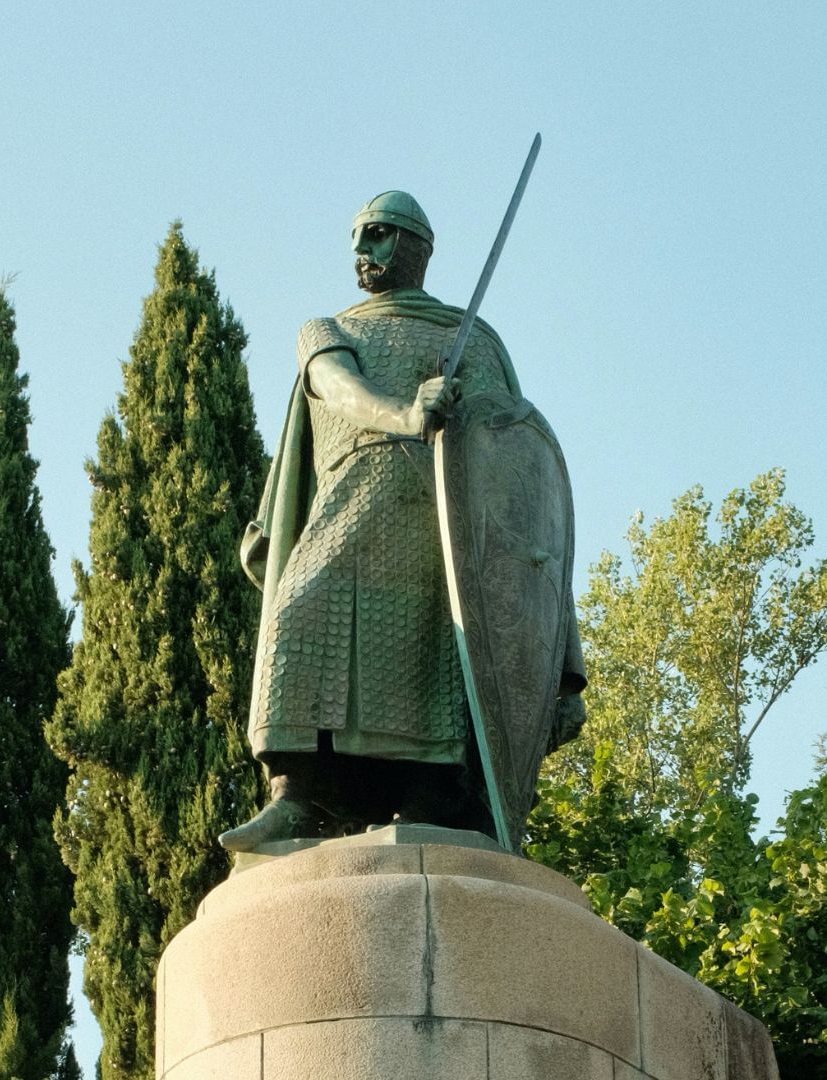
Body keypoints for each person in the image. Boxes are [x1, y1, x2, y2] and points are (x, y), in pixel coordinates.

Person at [221, 191, 581, 852]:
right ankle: (294, 798)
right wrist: (407, 413)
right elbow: (338, 389)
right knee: (297, 613)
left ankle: (436, 801)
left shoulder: (468, 338)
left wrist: (452, 409)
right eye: (359, 237)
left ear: (415, 246)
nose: (364, 251)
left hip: (442, 520)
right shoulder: (328, 329)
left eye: (380, 236)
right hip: (349, 501)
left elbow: (513, 465)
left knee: (442, 662)